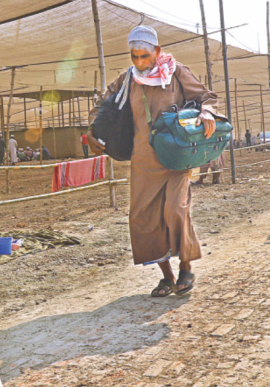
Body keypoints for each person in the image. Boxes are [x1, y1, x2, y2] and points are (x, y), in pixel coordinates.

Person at [87, 25, 219, 298]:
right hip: (143, 159)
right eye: (134, 56)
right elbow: (102, 105)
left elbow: (205, 97)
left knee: (175, 209)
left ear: (156, 51)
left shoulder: (175, 71)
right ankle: (167, 277)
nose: (139, 62)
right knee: (143, 218)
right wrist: (92, 131)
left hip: (176, 155)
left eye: (144, 56)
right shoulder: (127, 79)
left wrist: (206, 112)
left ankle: (185, 268)